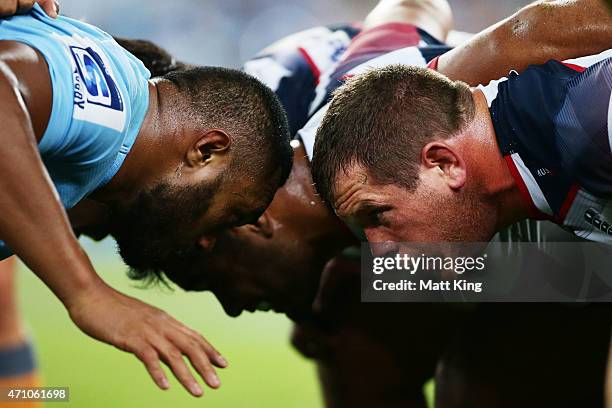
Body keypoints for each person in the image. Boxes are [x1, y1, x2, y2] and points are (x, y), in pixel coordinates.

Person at [155, 0, 611, 405]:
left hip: (530, 172)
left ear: (243, 225)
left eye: (211, 281)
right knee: (354, 343)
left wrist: (446, 79)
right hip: (535, 207)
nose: (232, 304)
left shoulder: (379, 104)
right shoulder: (369, 236)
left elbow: (483, 24)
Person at [0, 4, 293, 397]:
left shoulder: (116, 96)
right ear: (206, 151)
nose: (207, 241)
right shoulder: (113, 113)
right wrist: (86, 291)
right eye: (230, 214)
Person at [312, 3, 612, 248]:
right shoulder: (542, 163)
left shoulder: (587, 123)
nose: (379, 250)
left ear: (444, 163)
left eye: (376, 214)